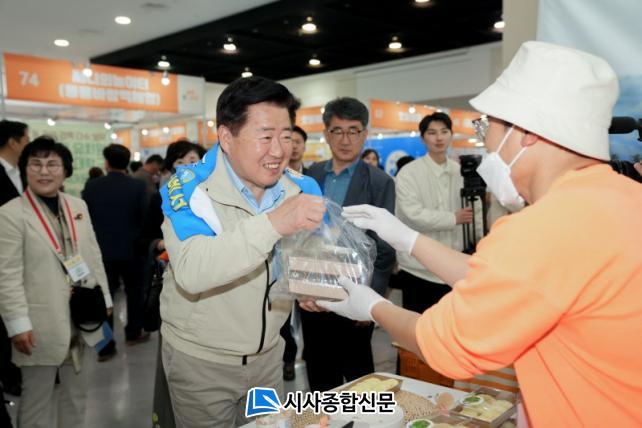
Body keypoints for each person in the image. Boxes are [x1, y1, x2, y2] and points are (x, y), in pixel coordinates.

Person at [308, 42, 642, 425]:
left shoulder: (543, 226)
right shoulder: (623, 196)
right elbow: (502, 279)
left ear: (526, 132)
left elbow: (444, 344)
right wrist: (407, 238)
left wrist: (370, 306)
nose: (485, 143)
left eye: (487, 127)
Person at [159, 76, 325, 427]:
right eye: (265, 137)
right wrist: (273, 224)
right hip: (203, 363)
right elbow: (192, 270)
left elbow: (304, 257)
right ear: (226, 137)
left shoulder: (301, 187)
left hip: (269, 358)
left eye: (286, 136)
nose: (278, 151)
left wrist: (311, 285)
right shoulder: (188, 189)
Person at [0, 136, 113, 428]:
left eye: (52, 164)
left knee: (76, 398)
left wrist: (105, 300)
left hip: (83, 316)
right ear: (25, 169)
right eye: (35, 164)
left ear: (65, 170)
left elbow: (93, 254)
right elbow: (6, 274)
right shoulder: (10, 214)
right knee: (36, 403)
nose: (44, 171)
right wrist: (18, 324)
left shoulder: (77, 206)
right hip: (38, 324)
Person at [302, 97, 396, 392]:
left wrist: (371, 299)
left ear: (364, 134)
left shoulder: (379, 182)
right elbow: (298, 236)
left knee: (359, 378)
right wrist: (300, 286)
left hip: (355, 293)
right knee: (319, 375)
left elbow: (384, 248)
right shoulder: (311, 175)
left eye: (353, 131)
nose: (346, 140)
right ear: (326, 134)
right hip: (313, 293)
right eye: (338, 131)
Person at [395, 112, 472, 314]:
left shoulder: (460, 172)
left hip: (455, 267)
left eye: (444, 132)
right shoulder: (409, 173)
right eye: (432, 133)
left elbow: (475, 212)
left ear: (451, 135)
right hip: (418, 269)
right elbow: (411, 214)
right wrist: (453, 218)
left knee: (452, 326)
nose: (439, 138)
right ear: (423, 138)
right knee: (417, 327)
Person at [82, 144, 149, 361]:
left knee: (104, 298)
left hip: (102, 252)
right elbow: (144, 218)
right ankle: (134, 333)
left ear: (106, 162)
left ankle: (105, 347)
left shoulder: (92, 187)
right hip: (133, 251)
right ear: (127, 162)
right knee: (135, 294)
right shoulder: (138, 186)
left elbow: (86, 221)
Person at [0, 119, 29, 427]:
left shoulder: (23, 173)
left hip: (27, 264)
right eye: (25, 140)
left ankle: (16, 374)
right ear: (13, 141)